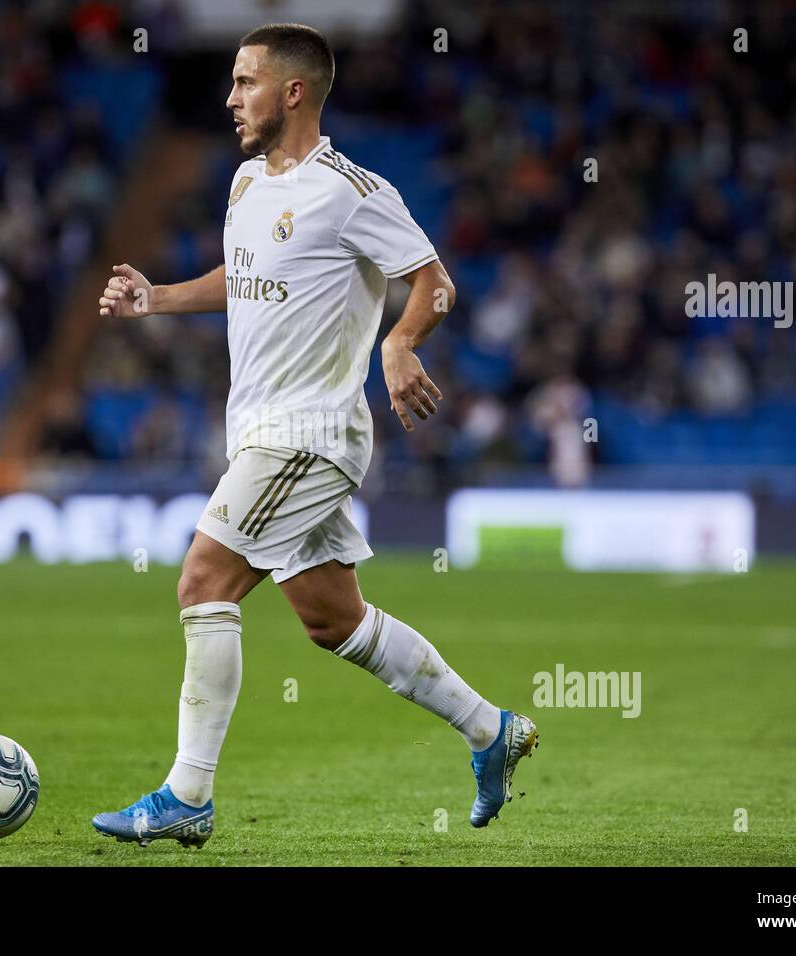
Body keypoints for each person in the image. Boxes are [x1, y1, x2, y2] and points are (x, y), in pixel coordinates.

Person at [92, 23, 537, 848]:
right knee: (334, 620)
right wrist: (155, 298)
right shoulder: (244, 185)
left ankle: (187, 794)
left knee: (203, 583)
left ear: (293, 92)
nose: (229, 99)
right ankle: (490, 730)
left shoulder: (354, 192)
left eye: (245, 82)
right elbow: (245, 277)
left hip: (313, 433)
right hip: (260, 431)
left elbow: (433, 284)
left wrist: (398, 344)